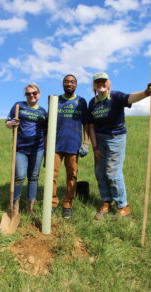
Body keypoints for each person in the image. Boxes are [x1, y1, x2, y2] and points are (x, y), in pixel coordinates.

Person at [88, 72, 151, 220]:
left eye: (103, 81)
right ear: (94, 85)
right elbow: (92, 126)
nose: (101, 83)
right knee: (100, 173)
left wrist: (146, 93)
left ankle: (122, 206)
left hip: (115, 138)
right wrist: (94, 146)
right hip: (99, 140)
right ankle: (106, 202)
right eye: (98, 81)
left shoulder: (116, 96)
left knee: (112, 172)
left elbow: (130, 98)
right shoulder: (92, 103)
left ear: (108, 83)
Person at [6, 84, 47, 213]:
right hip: (20, 149)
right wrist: (12, 123)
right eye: (28, 94)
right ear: (25, 96)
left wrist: (46, 152)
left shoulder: (43, 112)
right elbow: (7, 122)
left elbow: (46, 133)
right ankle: (15, 205)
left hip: (38, 149)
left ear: (39, 94)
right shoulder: (19, 106)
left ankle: (30, 205)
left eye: (34, 93)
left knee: (34, 177)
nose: (31, 96)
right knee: (19, 176)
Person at [52, 74, 89, 218]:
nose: (69, 84)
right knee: (52, 176)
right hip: (55, 146)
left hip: (73, 145)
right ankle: (52, 203)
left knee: (72, 175)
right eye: (66, 82)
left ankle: (67, 204)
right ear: (63, 84)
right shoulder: (56, 101)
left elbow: (86, 124)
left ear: (76, 85)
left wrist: (85, 142)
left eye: (72, 82)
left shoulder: (81, 101)